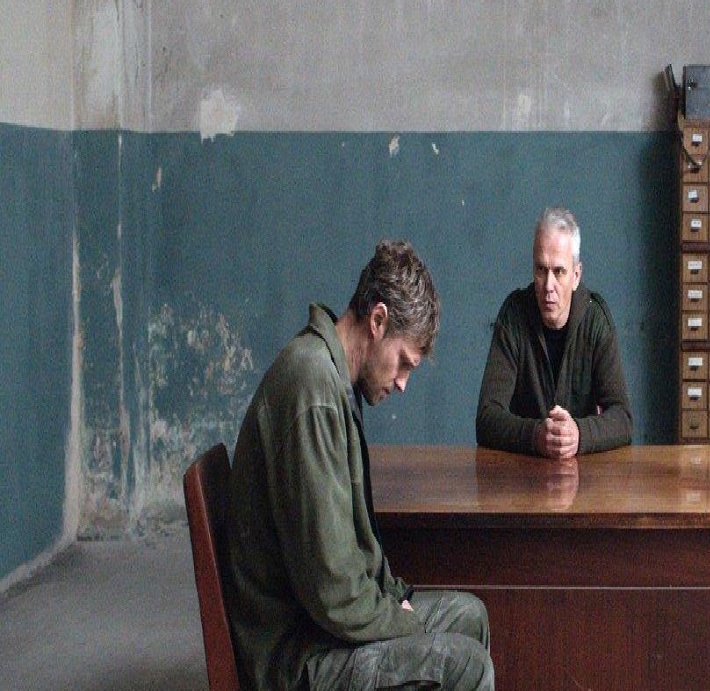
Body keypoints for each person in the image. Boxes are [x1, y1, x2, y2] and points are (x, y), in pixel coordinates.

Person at [225, 240, 494, 691]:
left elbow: (351, 558)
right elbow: (331, 590)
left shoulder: (333, 381)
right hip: (300, 656)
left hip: (323, 629)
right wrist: (403, 621)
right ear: (378, 320)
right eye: (403, 363)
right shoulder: (312, 389)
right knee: (465, 666)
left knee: (470, 617)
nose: (403, 383)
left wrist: (394, 602)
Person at [476, 207, 632, 458]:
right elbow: (486, 418)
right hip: (522, 471)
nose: (548, 286)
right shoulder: (514, 315)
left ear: (576, 276)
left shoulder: (595, 319)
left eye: (559, 272)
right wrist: (536, 435)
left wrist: (578, 434)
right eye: (541, 270)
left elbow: (623, 419)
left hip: (582, 474)